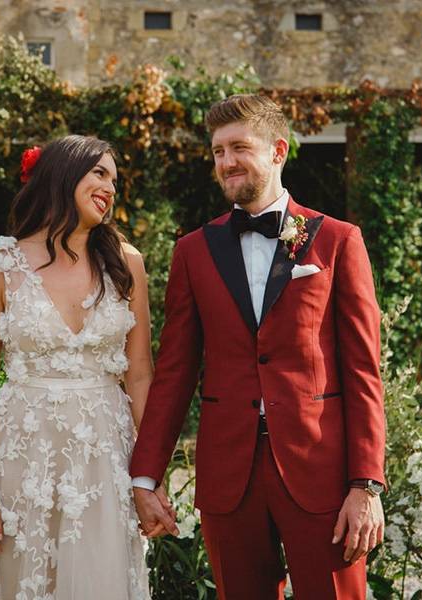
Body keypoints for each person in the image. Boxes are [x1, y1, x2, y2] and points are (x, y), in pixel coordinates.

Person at [130, 95, 387, 600]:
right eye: (218, 151)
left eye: (239, 147)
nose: (226, 162)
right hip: (230, 477)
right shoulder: (193, 252)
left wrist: (366, 485)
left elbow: (363, 373)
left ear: (277, 151)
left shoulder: (336, 240)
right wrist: (145, 474)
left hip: (322, 474)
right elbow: (175, 373)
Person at [0, 135, 169, 599]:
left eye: (115, 179)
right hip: (22, 458)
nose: (110, 186)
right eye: (99, 173)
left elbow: (141, 375)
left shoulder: (127, 265)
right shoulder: (1, 263)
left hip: (104, 457)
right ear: (64, 175)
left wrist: (150, 477)